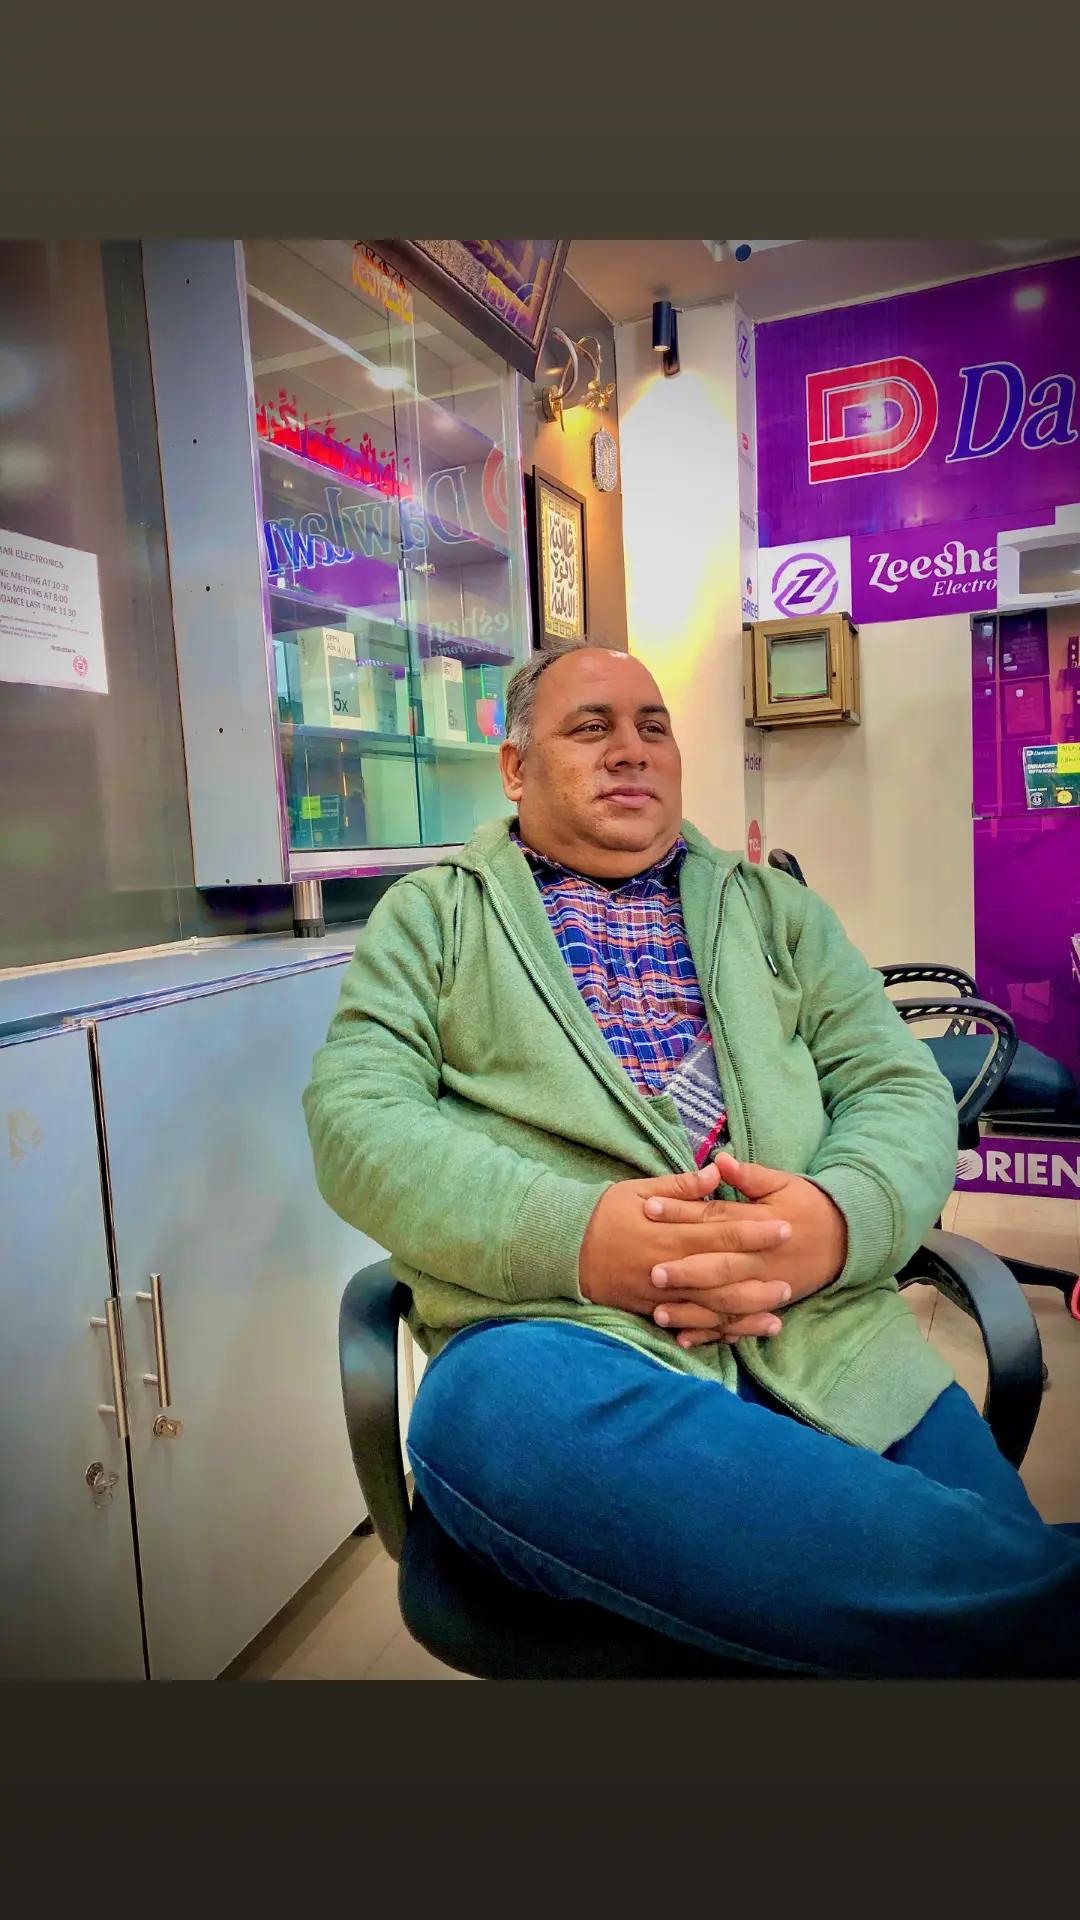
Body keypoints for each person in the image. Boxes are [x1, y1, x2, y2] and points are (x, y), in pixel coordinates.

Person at [304, 641, 1080, 1677]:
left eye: (653, 727)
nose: (631, 750)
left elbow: (897, 1087)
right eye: (591, 728)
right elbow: (356, 1118)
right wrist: (580, 1239)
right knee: (485, 1415)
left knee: (972, 1620)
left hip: (825, 1343)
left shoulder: (775, 912)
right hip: (567, 1344)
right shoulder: (435, 916)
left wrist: (832, 1223)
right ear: (516, 768)